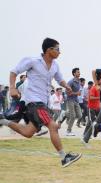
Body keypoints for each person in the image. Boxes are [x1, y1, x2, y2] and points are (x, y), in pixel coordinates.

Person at [0, 37, 81, 167]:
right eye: (57, 49)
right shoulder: (33, 61)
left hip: (43, 102)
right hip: (33, 101)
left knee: (28, 132)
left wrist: (66, 86)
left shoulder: (55, 65)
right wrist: (12, 87)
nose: (60, 52)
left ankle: (3, 120)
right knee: (53, 126)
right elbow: (14, 71)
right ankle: (64, 157)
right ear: (49, 50)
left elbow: (59, 79)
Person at [81, 81, 100, 148]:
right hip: (91, 108)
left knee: (91, 122)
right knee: (92, 122)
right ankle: (85, 137)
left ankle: (85, 135)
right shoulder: (93, 88)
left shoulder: (99, 88)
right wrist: (99, 97)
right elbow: (91, 98)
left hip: (97, 108)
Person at [66, 68, 82, 136]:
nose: (79, 73)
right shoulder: (71, 82)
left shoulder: (79, 82)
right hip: (70, 100)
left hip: (76, 100)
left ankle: (66, 115)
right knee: (73, 116)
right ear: (74, 73)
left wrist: (77, 93)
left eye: (79, 72)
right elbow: (67, 93)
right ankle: (68, 131)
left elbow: (77, 92)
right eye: (78, 72)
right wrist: (77, 93)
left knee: (80, 115)